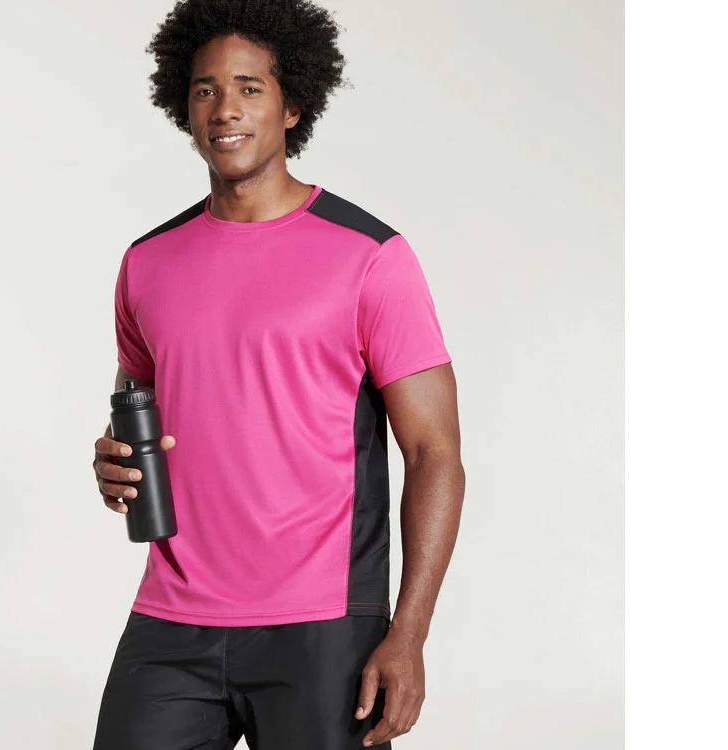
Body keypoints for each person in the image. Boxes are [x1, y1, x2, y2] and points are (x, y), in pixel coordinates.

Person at [90, 1, 465, 747]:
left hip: (324, 627)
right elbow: (142, 405)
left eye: (249, 87)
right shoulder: (147, 262)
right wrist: (114, 463)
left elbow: (434, 453)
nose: (225, 108)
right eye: (205, 89)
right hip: (174, 618)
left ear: (293, 106)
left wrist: (408, 631)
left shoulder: (371, 257)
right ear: (184, 107)